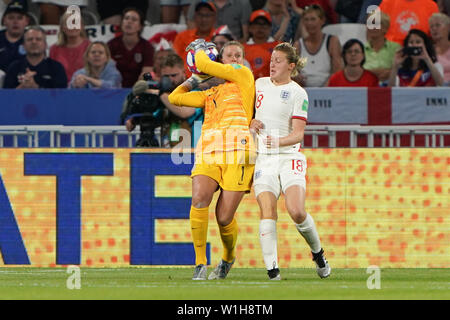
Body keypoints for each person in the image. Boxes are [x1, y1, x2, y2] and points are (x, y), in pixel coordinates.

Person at [168, 40, 255, 280]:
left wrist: (197, 52)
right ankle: (200, 264)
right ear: (221, 59)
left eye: (239, 55)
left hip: (239, 153)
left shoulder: (245, 76)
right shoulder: (210, 94)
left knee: (224, 217)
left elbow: (204, 62)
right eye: (230, 55)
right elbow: (176, 97)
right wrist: (194, 80)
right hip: (208, 151)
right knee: (199, 199)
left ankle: (228, 256)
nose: (235, 59)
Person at [249, 42, 330, 280]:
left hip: (289, 156)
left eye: (278, 60)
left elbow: (298, 134)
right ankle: (273, 271)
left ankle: (318, 254)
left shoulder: (298, 93)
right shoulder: (259, 85)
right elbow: (247, 115)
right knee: (267, 210)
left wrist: (279, 141)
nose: (272, 64)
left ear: (290, 66)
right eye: (271, 59)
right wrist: (250, 122)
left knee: (296, 211)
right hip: (265, 159)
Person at [296, 4, 343, 87]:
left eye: (313, 19)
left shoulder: (332, 41)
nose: (309, 23)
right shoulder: (298, 45)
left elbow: (337, 70)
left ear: (322, 20)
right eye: (306, 20)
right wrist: (296, 76)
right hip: (304, 90)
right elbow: (292, 71)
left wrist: (322, 91)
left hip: (328, 89)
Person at [108, 7, 154, 88]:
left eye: (134, 19)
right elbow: (106, 71)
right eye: (126, 18)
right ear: (122, 23)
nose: (129, 22)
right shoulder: (111, 45)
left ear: (140, 26)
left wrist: (136, 90)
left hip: (137, 89)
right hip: (113, 88)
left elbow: (146, 73)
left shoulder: (147, 47)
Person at [172, 1, 217, 77]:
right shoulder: (182, 36)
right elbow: (174, 61)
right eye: (200, 15)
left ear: (214, 18)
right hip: (184, 80)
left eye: (208, 15)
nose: (204, 19)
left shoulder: (219, 38)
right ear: (195, 16)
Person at [49, 11, 90, 85]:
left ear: (82, 26)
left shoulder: (90, 47)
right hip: (61, 90)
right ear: (62, 28)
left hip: (85, 89)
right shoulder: (54, 49)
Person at [363, 10, 401, 84]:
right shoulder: (360, 49)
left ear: (385, 28)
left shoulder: (396, 48)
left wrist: (369, 72)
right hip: (365, 86)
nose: (372, 27)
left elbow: (401, 71)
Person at [186, 0, 252, 42]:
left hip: (233, 46)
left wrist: (231, 46)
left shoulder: (243, 3)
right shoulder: (197, 2)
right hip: (204, 44)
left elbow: (245, 37)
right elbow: (191, 31)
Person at [244, 9, 281, 79]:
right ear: (250, 28)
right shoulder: (242, 48)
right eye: (257, 24)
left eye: (264, 24)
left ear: (270, 28)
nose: (260, 27)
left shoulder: (279, 46)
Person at [0, 0, 30, 73]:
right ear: (4, 20)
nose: (15, 22)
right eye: (11, 18)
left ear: (27, 21)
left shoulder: (33, 38)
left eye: (19, 18)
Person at [429, 13, 450, 86]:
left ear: (448, 27)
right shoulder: (428, 51)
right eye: (431, 27)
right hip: (434, 89)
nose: (434, 29)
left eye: (438, 25)